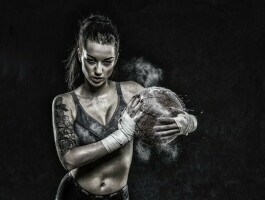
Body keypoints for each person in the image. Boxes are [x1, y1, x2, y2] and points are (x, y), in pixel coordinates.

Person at [52, 14, 197, 200]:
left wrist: (186, 123)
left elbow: (183, 118)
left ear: (116, 57)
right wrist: (121, 136)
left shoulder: (131, 92)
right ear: (80, 53)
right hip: (74, 195)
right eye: (91, 60)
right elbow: (68, 159)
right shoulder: (65, 103)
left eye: (107, 62)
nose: (98, 70)